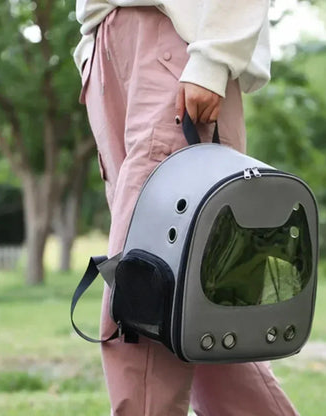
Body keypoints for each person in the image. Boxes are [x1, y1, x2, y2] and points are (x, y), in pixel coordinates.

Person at [74, 1, 300, 415]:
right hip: (108, 51)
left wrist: (214, 57)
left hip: (174, 48)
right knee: (201, 314)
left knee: (146, 297)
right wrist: (94, 51)